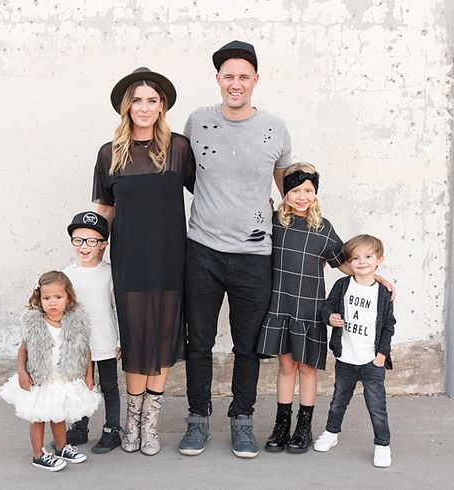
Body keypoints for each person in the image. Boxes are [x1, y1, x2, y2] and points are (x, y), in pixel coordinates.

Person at [178, 40, 292, 459]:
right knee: (199, 343)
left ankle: (242, 420)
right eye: (229, 76)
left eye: (244, 76)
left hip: (254, 255)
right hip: (203, 249)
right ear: (218, 80)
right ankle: (197, 420)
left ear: (255, 80)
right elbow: (190, 176)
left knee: (247, 345)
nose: (236, 83)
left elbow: (285, 183)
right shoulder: (198, 121)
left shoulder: (275, 128)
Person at [92, 67, 195, 456]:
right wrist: (93, 255)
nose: (145, 107)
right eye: (138, 100)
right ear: (127, 106)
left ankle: (150, 422)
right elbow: (105, 208)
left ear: (162, 105)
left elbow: (209, 193)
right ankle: (130, 421)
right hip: (130, 258)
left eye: (152, 100)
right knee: (136, 337)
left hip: (171, 256)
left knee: (165, 335)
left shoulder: (179, 148)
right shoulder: (109, 153)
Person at [256, 163, 345, 454]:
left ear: (315, 193)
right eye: (295, 190)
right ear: (285, 193)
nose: (302, 196)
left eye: (308, 190)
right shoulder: (275, 223)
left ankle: (303, 427)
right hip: (281, 305)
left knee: (306, 367)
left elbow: (343, 261)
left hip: (309, 309)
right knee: (285, 366)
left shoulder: (322, 229)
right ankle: (282, 425)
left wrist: (376, 276)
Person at [0, 271, 102, 471]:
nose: (52, 303)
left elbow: (85, 350)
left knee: (59, 414)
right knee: (38, 416)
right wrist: (22, 372)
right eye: (46, 298)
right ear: (39, 299)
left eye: (58, 297)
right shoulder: (35, 324)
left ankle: (62, 448)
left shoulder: (75, 323)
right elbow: (23, 350)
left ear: (68, 298)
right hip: (41, 379)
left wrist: (89, 375)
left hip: (63, 379)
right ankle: (38, 454)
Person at [313, 234, 396, 468]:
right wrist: (330, 317)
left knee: (376, 406)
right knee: (338, 400)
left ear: (379, 259)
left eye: (368, 257)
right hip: (346, 359)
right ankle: (331, 433)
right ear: (348, 263)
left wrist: (381, 355)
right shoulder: (343, 285)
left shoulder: (382, 292)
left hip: (372, 361)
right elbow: (327, 306)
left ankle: (382, 445)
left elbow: (389, 325)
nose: (361, 262)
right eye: (355, 258)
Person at [62, 211, 122, 454]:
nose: (84, 246)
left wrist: (121, 339)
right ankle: (79, 426)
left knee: (109, 385)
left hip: (104, 340)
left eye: (91, 241)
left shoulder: (109, 273)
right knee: (80, 386)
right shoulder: (66, 274)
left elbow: (117, 307)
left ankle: (112, 429)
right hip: (77, 344)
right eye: (78, 240)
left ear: (103, 244)